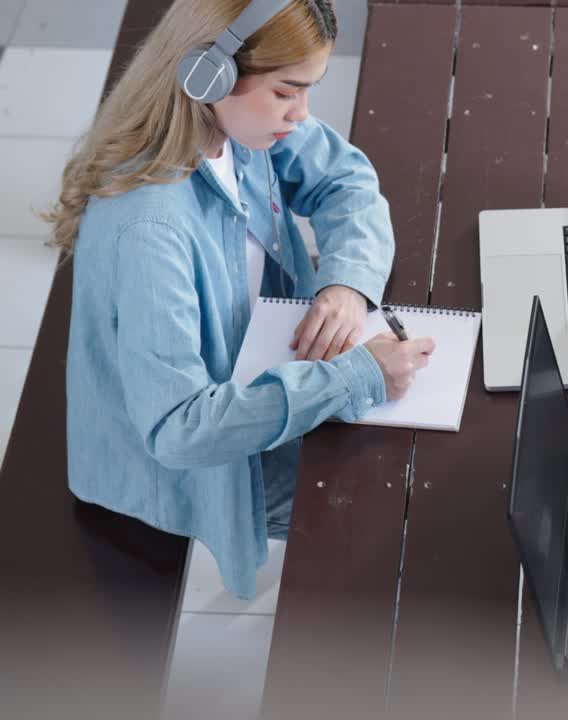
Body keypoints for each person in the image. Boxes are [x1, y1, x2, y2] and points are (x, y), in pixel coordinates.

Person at [46, 0, 432, 599]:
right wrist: (354, 378)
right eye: (287, 92)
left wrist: (347, 286)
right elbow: (179, 429)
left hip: (257, 368)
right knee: (395, 511)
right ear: (210, 75)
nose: (301, 114)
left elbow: (347, 183)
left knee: (405, 466)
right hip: (188, 458)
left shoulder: (238, 127)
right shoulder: (153, 228)